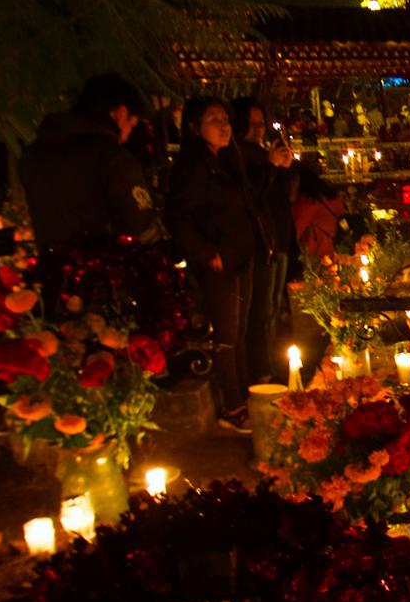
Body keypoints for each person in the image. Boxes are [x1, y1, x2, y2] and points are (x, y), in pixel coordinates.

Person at [165, 97, 268, 433]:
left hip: (242, 254)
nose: (224, 126)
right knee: (225, 337)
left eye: (225, 119)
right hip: (221, 260)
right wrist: (207, 252)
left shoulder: (226, 160)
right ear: (195, 127)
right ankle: (233, 405)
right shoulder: (191, 167)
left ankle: (245, 395)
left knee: (238, 333)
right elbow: (178, 217)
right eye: (214, 120)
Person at [20, 73, 159, 248]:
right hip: (104, 268)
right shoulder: (113, 158)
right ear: (121, 113)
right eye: (131, 126)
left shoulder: (35, 152)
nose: (126, 137)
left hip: (52, 266)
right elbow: (138, 225)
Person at [231, 98, 295, 386]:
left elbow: (284, 197)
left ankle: (268, 367)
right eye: (252, 124)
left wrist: (283, 167)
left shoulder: (259, 154)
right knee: (259, 313)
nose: (258, 129)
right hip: (257, 244)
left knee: (269, 310)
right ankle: (261, 372)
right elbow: (252, 197)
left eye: (261, 124)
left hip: (275, 240)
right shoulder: (238, 157)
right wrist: (270, 166)